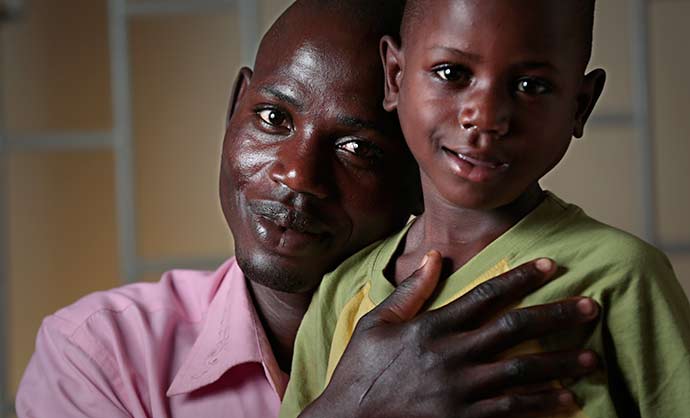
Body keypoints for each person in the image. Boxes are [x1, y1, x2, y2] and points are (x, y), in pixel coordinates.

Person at [16, 1, 602, 417]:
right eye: (273, 118)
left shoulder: (520, 345)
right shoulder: (100, 353)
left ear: (423, 171)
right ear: (234, 107)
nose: (297, 175)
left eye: (358, 149)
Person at [280, 1, 690, 417]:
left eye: (531, 85)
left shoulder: (619, 276)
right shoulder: (341, 294)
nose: (487, 117)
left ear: (580, 104)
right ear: (395, 76)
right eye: (451, 73)